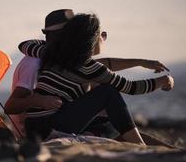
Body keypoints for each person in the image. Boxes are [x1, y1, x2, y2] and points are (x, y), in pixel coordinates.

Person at [17, 13, 174, 145]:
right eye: (102, 35)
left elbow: (24, 44)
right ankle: (139, 144)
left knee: (108, 123)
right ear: (91, 39)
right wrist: (164, 81)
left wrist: (141, 62)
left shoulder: (49, 53)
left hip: (34, 127)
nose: (103, 39)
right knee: (108, 92)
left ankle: (101, 136)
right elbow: (131, 88)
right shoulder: (87, 67)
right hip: (49, 128)